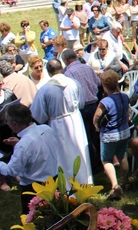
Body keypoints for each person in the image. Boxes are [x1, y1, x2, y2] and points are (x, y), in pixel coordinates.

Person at [31, 59, 93, 184]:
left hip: (57, 124)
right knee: (79, 150)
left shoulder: (44, 89)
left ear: (48, 71)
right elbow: (81, 102)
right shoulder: (74, 83)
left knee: (62, 155)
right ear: (62, 68)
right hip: (76, 120)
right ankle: (84, 181)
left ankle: (66, 185)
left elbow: (38, 114)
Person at [0, 104, 62, 214]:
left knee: (37, 223)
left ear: (14, 124)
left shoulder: (23, 145)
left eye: (6, 121)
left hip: (34, 189)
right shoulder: (46, 128)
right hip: (54, 181)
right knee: (57, 215)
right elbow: (38, 150)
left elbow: (11, 170)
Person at [93, 71, 130, 199]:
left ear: (104, 85)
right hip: (124, 131)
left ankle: (115, 186)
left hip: (110, 134)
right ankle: (126, 182)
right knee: (122, 156)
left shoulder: (106, 101)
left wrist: (97, 126)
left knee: (107, 159)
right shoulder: (125, 96)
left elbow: (96, 117)